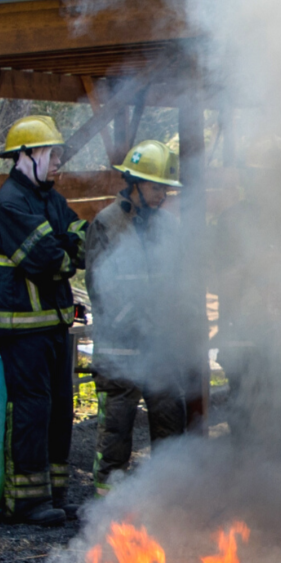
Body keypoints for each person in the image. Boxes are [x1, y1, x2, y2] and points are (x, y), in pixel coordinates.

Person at [0, 114, 84, 526]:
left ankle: (54, 494)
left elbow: (80, 239)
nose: (58, 161)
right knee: (32, 410)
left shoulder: (49, 199)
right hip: (20, 330)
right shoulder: (9, 203)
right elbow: (47, 260)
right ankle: (27, 502)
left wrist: (64, 246)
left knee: (59, 407)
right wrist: (64, 248)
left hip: (52, 325)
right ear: (26, 156)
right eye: (51, 153)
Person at [87, 140, 197, 498]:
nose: (162, 195)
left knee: (170, 420)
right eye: (155, 187)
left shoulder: (169, 226)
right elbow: (100, 290)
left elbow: (180, 283)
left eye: (166, 187)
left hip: (160, 349)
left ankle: (168, 500)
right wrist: (138, 323)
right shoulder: (106, 224)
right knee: (116, 429)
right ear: (132, 184)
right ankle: (108, 507)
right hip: (121, 349)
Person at [216, 136, 281, 456]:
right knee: (242, 415)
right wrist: (251, 268)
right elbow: (217, 279)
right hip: (242, 335)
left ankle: (280, 490)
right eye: (259, 175)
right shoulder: (230, 221)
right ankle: (245, 489)